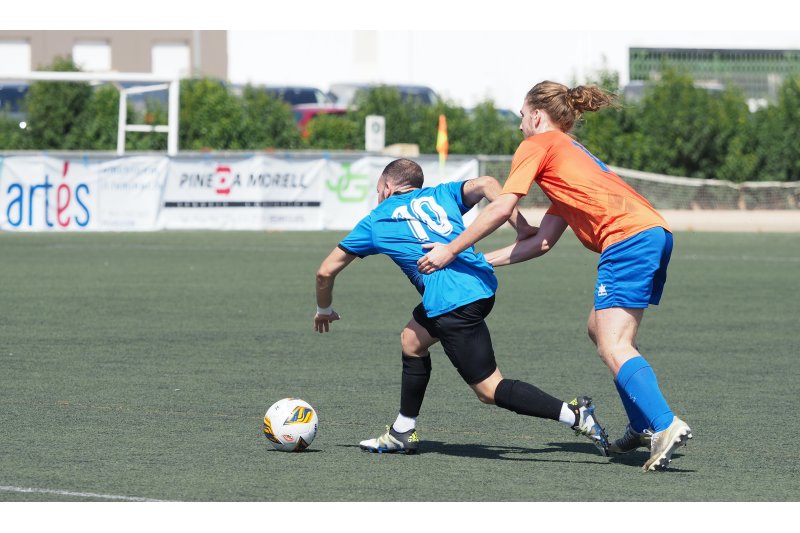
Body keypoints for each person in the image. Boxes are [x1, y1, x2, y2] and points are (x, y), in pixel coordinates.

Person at [416, 81, 693, 472]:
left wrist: (451, 249)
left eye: (520, 116)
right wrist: (478, 261)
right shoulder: (567, 157)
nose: (519, 127)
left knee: (614, 344)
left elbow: (501, 208)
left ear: (536, 115)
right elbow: (541, 242)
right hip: (652, 233)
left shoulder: (537, 145)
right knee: (600, 330)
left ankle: (664, 424)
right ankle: (642, 424)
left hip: (628, 239)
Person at [314, 158, 610, 456]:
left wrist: (324, 309)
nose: (378, 196)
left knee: (489, 390)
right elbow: (488, 184)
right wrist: (520, 226)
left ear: (387, 188)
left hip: (451, 302)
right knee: (412, 340)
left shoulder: (376, 220)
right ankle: (403, 430)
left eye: (378, 190)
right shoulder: (440, 195)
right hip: (478, 285)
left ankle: (574, 414)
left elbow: (325, 272)